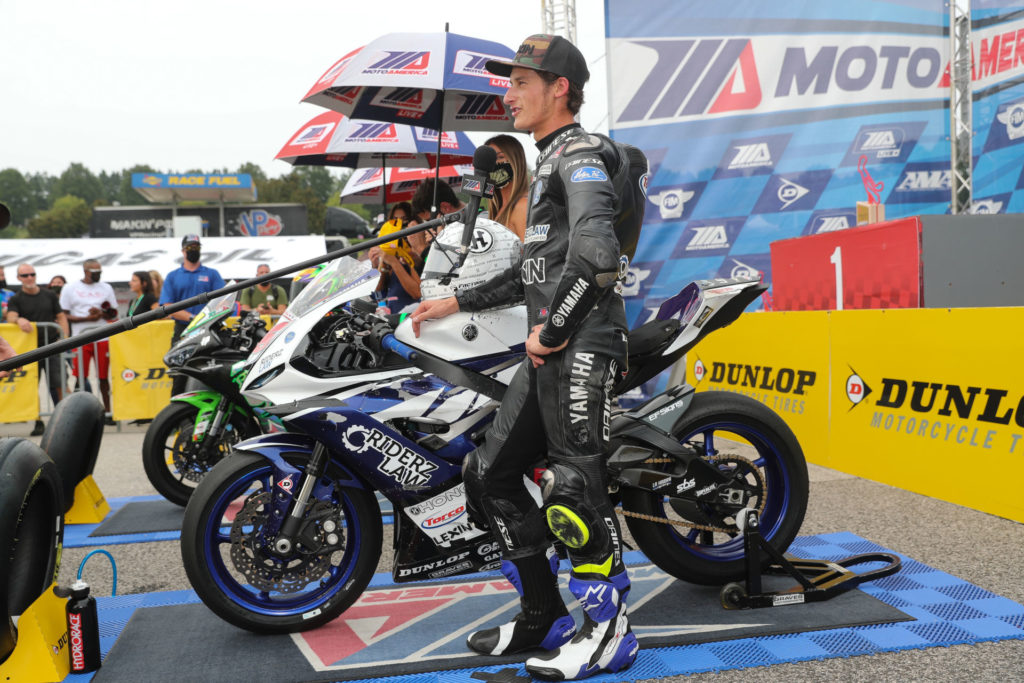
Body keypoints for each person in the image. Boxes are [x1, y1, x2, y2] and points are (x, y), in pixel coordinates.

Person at [410, 34, 638, 680]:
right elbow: (533, 271)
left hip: (582, 345)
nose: (507, 93)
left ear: (558, 88)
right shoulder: (547, 164)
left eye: (519, 81)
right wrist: (451, 301)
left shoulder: (582, 155)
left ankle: (609, 629)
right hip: (552, 352)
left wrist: (555, 331)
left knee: (572, 489)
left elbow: (597, 258)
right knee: (490, 474)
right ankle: (546, 614)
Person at [7, 263, 70, 435]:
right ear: (19, 278)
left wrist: (65, 338)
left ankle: (68, 418)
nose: (29, 278)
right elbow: (10, 315)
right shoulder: (16, 298)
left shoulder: (49, 295)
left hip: (51, 346)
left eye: (32, 274)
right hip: (29, 351)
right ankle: (38, 422)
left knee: (60, 384)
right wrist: (18, 319)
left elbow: (61, 316)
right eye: (25, 275)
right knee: (30, 386)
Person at [159, 234, 225, 394]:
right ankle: (177, 414)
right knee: (180, 373)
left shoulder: (212, 274)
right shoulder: (173, 276)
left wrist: (205, 319)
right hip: (183, 330)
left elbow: (223, 299)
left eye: (196, 247)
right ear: (183, 251)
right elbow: (168, 306)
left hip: (209, 331)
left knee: (212, 371)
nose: (193, 250)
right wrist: (192, 318)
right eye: (190, 248)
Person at [60, 259, 119, 420]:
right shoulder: (70, 288)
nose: (98, 275)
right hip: (80, 337)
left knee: (103, 377)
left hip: (102, 336)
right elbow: (63, 314)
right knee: (80, 376)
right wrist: (86, 318)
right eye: (95, 273)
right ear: (85, 271)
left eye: (100, 272)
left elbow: (113, 313)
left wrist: (100, 314)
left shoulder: (106, 287)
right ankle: (78, 413)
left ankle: (107, 412)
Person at [485, 134, 530, 241]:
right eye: (489, 160)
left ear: (516, 162)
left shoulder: (522, 206)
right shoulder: (498, 208)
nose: (494, 164)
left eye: (500, 157)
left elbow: (531, 255)